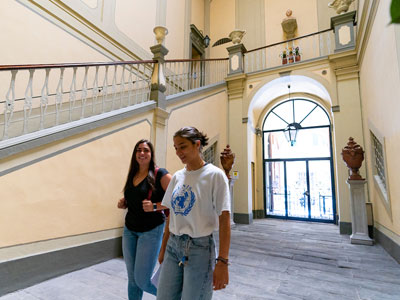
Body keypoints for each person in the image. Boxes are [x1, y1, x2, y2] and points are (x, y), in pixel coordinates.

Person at [156, 127, 231, 300]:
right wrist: (163, 249)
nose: (178, 152)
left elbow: (224, 218)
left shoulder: (214, 175)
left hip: (199, 249)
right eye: (175, 148)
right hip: (173, 246)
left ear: (197, 144)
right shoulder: (177, 177)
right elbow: (171, 216)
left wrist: (223, 261)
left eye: (182, 146)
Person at [117, 139, 171, 300]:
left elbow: (178, 199)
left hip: (151, 230)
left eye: (146, 150)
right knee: (133, 280)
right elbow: (134, 196)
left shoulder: (160, 174)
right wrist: (125, 202)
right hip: (130, 230)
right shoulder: (133, 174)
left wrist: (155, 206)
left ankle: (173, 296)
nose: (142, 153)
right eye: (139, 150)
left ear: (151, 154)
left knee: (142, 280)